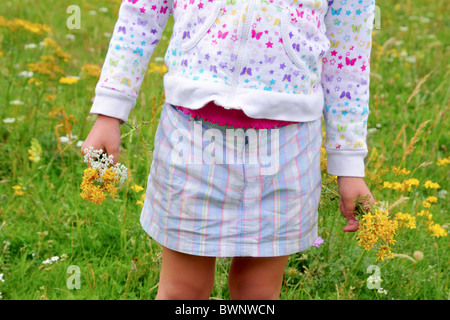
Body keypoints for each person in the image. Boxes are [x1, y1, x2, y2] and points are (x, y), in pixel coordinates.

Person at [81, 0, 376, 300]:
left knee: (257, 293)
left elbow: (349, 57)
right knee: (184, 291)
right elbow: (140, 16)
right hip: (191, 136)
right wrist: (110, 111)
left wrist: (348, 163)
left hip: (288, 146)